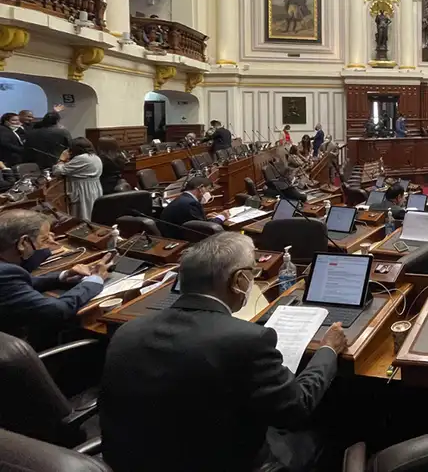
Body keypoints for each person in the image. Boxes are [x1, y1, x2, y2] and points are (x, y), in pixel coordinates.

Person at [100, 232, 347, 472]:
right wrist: (327, 349)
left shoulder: (128, 330)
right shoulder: (247, 340)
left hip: (134, 462)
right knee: (331, 427)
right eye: (253, 271)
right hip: (225, 462)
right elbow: (297, 407)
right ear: (239, 281)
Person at [0, 209, 112, 348]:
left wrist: (63, 276)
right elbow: (57, 310)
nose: (48, 246)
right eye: (44, 240)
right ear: (23, 243)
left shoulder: (6, 271)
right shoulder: (6, 273)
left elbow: (17, 284)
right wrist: (94, 281)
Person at [159, 177, 228, 239]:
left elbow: (191, 221)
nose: (209, 193)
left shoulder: (183, 199)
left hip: (171, 235)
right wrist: (221, 217)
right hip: (180, 240)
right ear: (201, 188)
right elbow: (204, 229)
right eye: (208, 190)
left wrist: (205, 218)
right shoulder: (191, 203)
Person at [52, 138, 103, 221]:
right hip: (94, 189)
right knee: (92, 214)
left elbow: (57, 171)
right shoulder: (95, 157)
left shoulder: (81, 158)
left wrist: (62, 159)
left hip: (83, 191)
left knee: (82, 217)